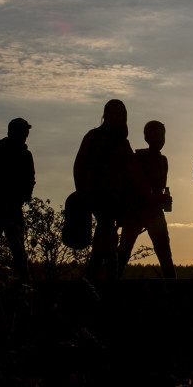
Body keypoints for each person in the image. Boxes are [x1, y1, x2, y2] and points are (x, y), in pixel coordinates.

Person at [74, 100, 143, 281]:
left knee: (104, 238)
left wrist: (133, 199)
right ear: (106, 115)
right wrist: (83, 194)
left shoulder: (122, 143)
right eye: (113, 113)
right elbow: (80, 167)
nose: (116, 118)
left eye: (120, 114)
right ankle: (108, 280)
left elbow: (132, 174)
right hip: (98, 197)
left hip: (115, 199)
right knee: (108, 236)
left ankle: (95, 279)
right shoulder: (94, 137)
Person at [118, 121, 176, 279]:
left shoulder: (163, 161)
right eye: (156, 135)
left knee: (164, 252)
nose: (160, 139)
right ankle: (111, 286)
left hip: (154, 211)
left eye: (162, 135)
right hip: (136, 211)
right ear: (147, 137)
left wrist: (163, 198)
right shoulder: (137, 158)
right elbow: (131, 185)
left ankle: (172, 287)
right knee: (124, 252)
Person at [0, 118, 35, 281]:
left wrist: (24, 196)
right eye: (24, 131)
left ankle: (25, 287)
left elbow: (30, 179)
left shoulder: (22, 154)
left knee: (17, 252)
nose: (26, 135)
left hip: (10, 209)